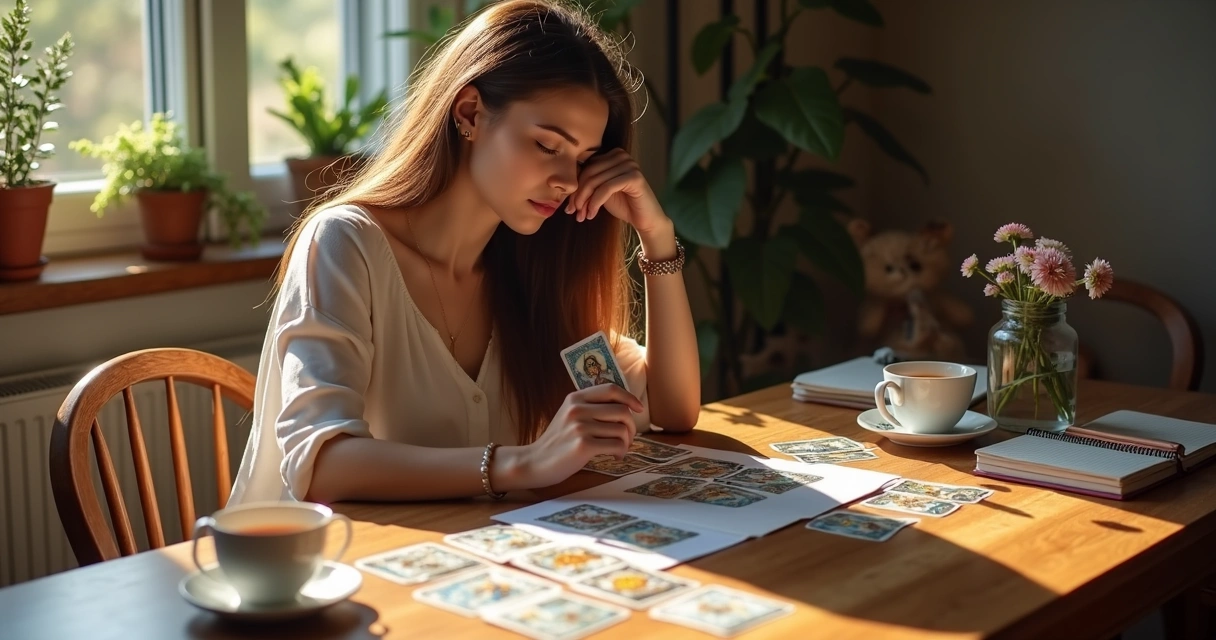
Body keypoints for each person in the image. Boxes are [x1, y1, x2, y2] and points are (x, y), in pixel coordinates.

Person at [229, 0, 700, 505]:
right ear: (470, 113)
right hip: (327, 573)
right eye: (547, 146)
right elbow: (322, 464)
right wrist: (524, 462)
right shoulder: (346, 244)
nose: (567, 181)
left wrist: (657, 235)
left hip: (468, 566)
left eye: (584, 160)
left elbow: (673, 411)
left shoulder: (534, 266)